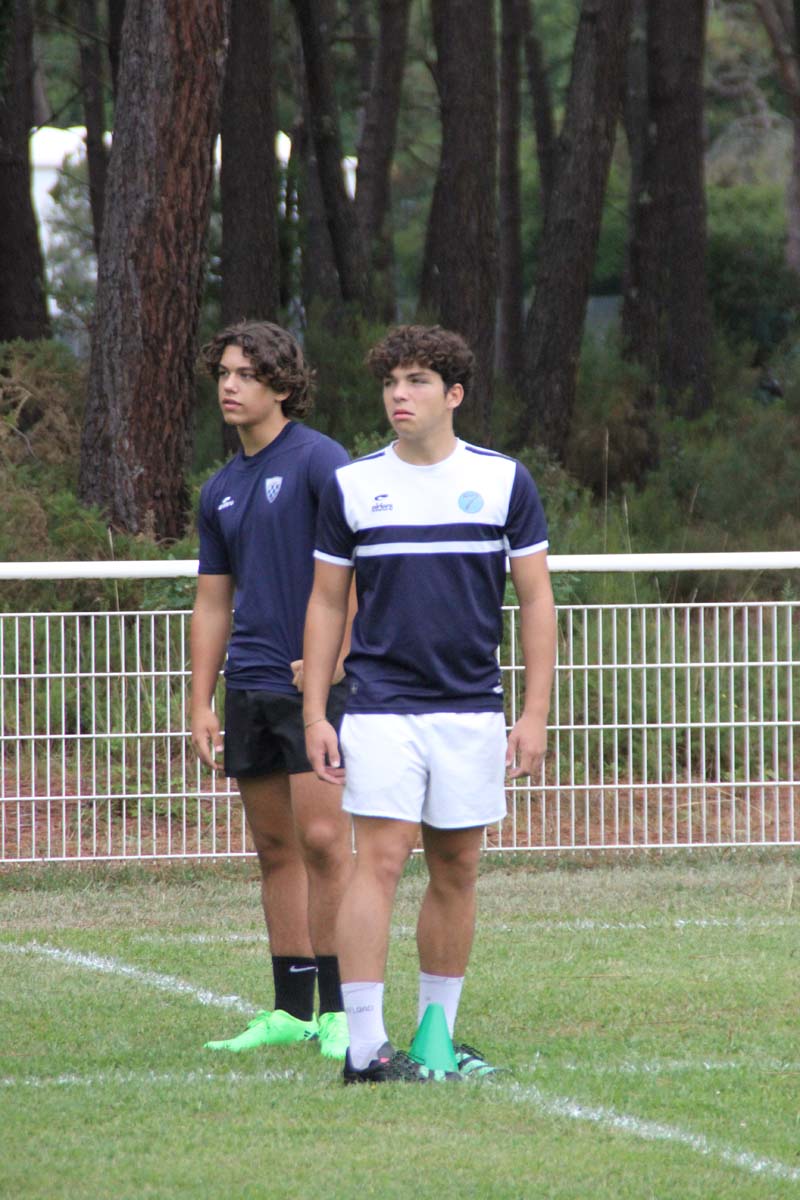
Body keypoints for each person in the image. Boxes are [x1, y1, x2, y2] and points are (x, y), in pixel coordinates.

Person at [302, 324, 557, 1083]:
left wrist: (534, 713)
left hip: (472, 709)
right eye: (390, 382)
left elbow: (536, 600)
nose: (398, 395)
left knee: (458, 865)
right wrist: (316, 712)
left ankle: (435, 1038)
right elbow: (326, 603)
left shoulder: (504, 481)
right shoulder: (352, 485)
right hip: (380, 707)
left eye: (416, 381)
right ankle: (364, 1049)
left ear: (454, 395)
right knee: (378, 861)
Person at [191, 319, 354, 1060]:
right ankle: (291, 1011)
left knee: (324, 842)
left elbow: (357, 569)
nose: (230, 386)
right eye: (224, 373)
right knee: (275, 849)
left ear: (282, 386)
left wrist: (334, 660)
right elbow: (212, 602)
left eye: (246, 375)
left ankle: (344, 1011)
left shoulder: (321, 460)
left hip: (314, 690)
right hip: (250, 686)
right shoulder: (220, 488)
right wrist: (200, 699)